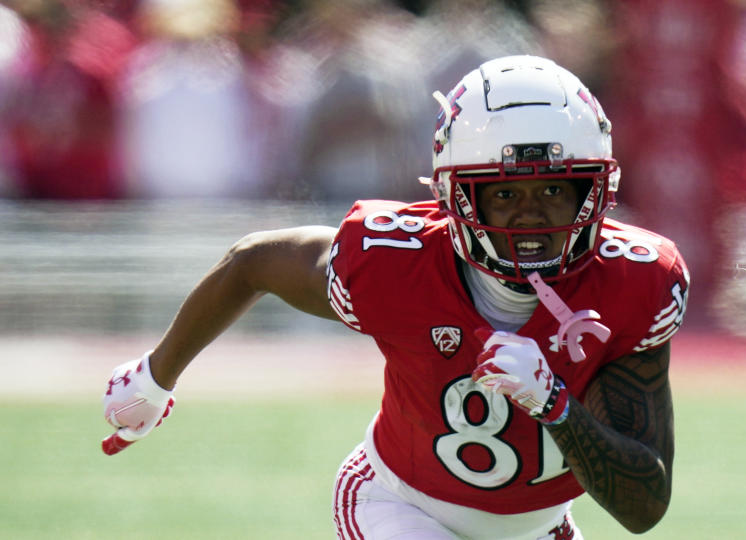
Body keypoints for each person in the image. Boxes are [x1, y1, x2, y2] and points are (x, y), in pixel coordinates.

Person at [101, 55, 691, 539]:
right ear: (454, 197)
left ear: (597, 190)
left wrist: (555, 403)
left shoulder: (636, 281)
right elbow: (254, 262)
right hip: (401, 508)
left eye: (556, 190)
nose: (530, 217)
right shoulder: (393, 262)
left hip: (540, 530)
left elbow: (644, 507)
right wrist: (155, 376)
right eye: (504, 194)